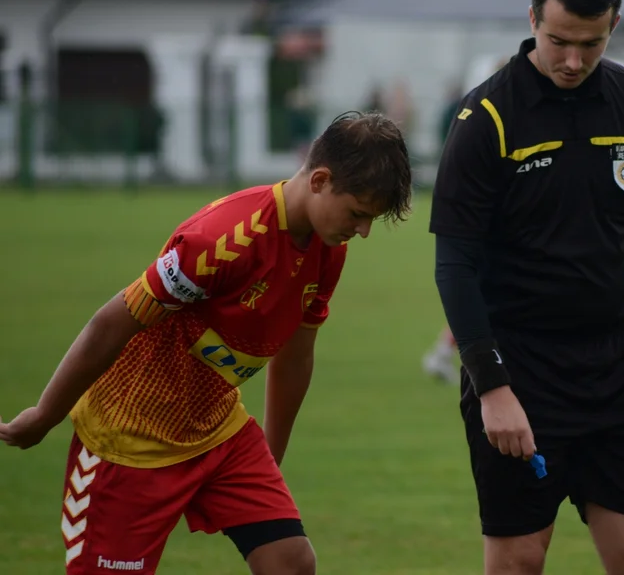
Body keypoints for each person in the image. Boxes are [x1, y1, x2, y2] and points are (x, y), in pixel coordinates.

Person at [0, 112, 412, 574]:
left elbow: (296, 354)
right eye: (358, 214)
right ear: (319, 179)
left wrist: (270, 461)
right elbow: (111, 322)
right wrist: (43, 415)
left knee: (291, 563)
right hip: (128, 442)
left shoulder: (328, 249)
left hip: (218, 433)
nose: (363, 232)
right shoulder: (222, 240)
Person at [430, 0, 624, 575]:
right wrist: (492, 388)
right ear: (531, 20)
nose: (573, 60)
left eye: (592, 44)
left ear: (615, 27)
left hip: (612, 366)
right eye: (558, 41)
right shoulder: (487, 117)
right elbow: (454, 265)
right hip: (520, 369)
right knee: (518, 561)